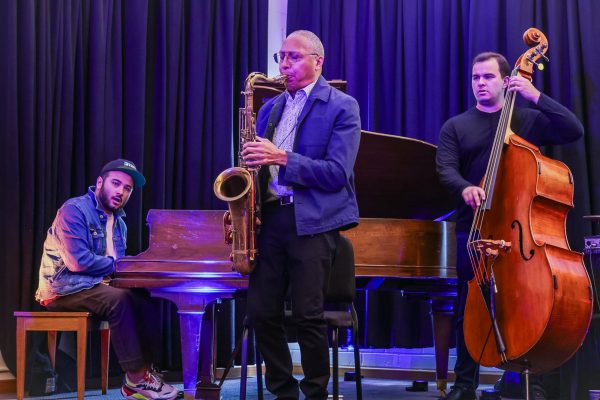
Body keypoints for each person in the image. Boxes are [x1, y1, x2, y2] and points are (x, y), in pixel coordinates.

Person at [436, 52, 584, 400]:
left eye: (487, 77)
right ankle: (464, 384)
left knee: (527, 304)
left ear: (505, 80)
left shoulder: (526, 118)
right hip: (474, 229)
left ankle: (527, 380)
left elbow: (573, 130)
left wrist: (535, 95)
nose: (480, 83)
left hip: (522, 233)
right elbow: (445, 168)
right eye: (476, 78)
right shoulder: (456, 126)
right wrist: (465, 187)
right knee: (466, 308)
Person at [241, 30, 361, 400]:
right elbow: (255, 169)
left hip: (314, 221)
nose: (284, 65)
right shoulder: (269, 109)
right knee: (261, 314)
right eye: (281, 57)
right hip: (272, 220)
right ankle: (284, 391)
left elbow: (337, 173)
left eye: (293, 57)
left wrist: (281, 158)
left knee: (309, 316)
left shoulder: (342, 105)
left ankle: (315, 393)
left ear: (317, 61)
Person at [35, 159, 179, 400]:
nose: (121, 191)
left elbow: (115, 272)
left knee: (150, 295)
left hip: (95, 288)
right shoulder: (74, 210)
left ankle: (147, 373)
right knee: (119, 299)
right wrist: (124, 264)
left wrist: (141, 271)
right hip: (62, 289)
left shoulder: (120, 224)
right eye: (116, 183)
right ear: (100, 183)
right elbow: (78, 262)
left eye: (127, 189)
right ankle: (135, 378)